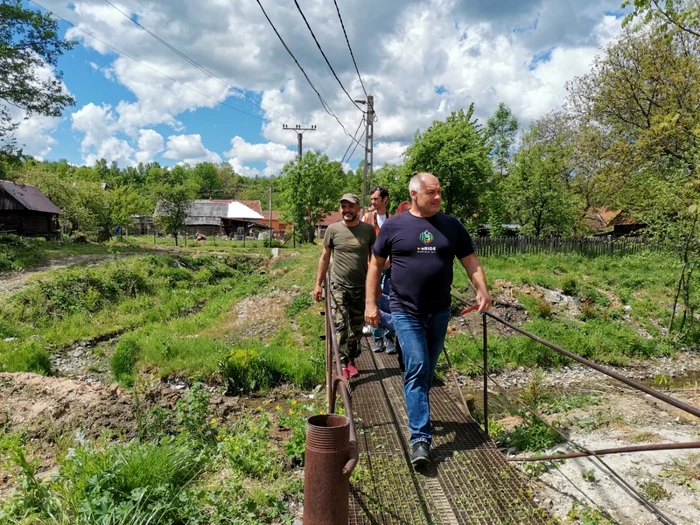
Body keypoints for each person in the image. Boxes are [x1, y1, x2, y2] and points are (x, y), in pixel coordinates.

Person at [365, 173, 492, 467]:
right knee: (418, 367)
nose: (438, 198)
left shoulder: (452, 225)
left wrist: (482, 290)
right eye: (431, 193)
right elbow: (375, 266)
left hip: (440, 311)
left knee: (425, 370)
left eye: (440, 193)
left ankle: (417, 408)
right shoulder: (395, 226)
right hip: (405, 310)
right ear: (414, 194)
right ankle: (420, 439)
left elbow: (470, 261)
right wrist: (371, 303)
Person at [313, 193, 376, 379]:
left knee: (357, 328)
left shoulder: (368, 230)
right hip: (338, 285)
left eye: (350, 206)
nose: (346, 210)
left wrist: (375, 286)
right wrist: (318, 284)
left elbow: (374, 260)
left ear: (358, 208)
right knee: (340, 325)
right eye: (343, 206)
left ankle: (351, 360)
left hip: (360, 286)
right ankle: (340, 364)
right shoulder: (332, 230)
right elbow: (324, 257)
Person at [362, 186, 396, 354]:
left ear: (385, 199)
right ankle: (377, 338)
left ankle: (389, 338)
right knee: (374, 301)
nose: (373, 202)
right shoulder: (367, 218)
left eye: (376, 199)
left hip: (390, 268)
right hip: (372, 268)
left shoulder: (393, 220)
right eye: (372, 199)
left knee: (390, 302)